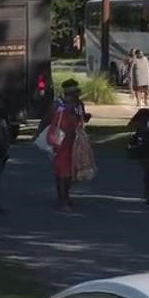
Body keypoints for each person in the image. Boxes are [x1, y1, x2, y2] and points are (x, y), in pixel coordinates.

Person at [42, 80, 91, 210]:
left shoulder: (79, 104)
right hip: (59, 140)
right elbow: (47, 118)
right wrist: (38, 133)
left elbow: (82, 117)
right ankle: (63, 198)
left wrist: (85, 117)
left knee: (70, 170)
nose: (76, 95)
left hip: (75, 141)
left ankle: (63, 194)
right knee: (63, 170)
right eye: (74, 93)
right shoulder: (58, 105)